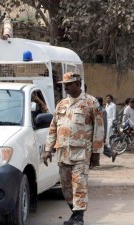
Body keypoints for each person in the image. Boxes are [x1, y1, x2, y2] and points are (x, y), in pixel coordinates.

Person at [43, 72, 104, 225]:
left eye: (69, 84)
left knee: (79, 184)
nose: (66, 87)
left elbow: (99, 128)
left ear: (78, 84)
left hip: (82, 153)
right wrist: (48, 148)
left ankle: (79, 218)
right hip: (63, 153)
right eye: (64, 85)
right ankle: (75, 214)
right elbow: (53, 127)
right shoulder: (61, 104)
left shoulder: (90, 102)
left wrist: (96, 152)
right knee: (66, 187)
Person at [96, 97, 118, 162]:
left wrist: (104, 133)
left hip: (100, 131)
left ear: (99, 102)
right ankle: (112, 153)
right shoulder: (96, 110)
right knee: (98, 145)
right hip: (96, 130)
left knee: (98, 145)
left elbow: (105, 123)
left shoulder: (103, 111)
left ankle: (111, 153)